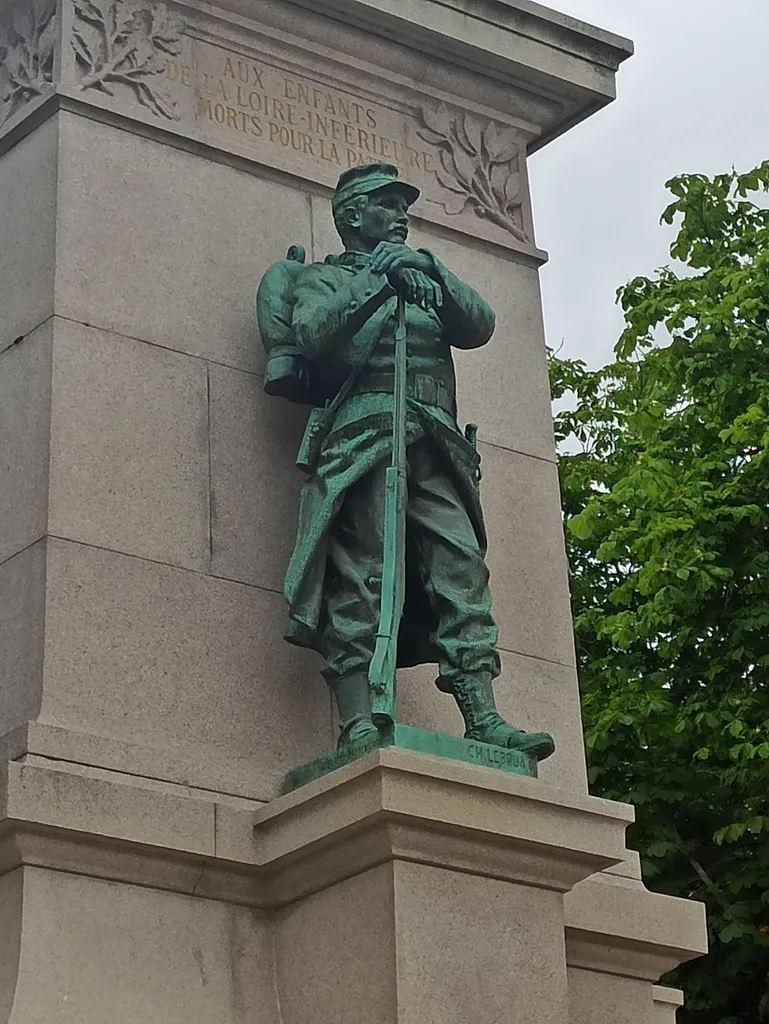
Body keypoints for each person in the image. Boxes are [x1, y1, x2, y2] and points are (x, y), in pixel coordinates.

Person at [276, 162, 554, 760]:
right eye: (388, 205)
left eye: (404, 206)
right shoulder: (323, 278)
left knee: (462, 571)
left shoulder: (424, 277)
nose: (402, 215)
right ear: (354, 215)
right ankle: (358, 720)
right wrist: (380, 278)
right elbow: (315, 336)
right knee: (364, 574)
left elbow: (479, 324)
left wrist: (428, 268)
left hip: (436, 443)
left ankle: (483, 717)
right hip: (366, 439)